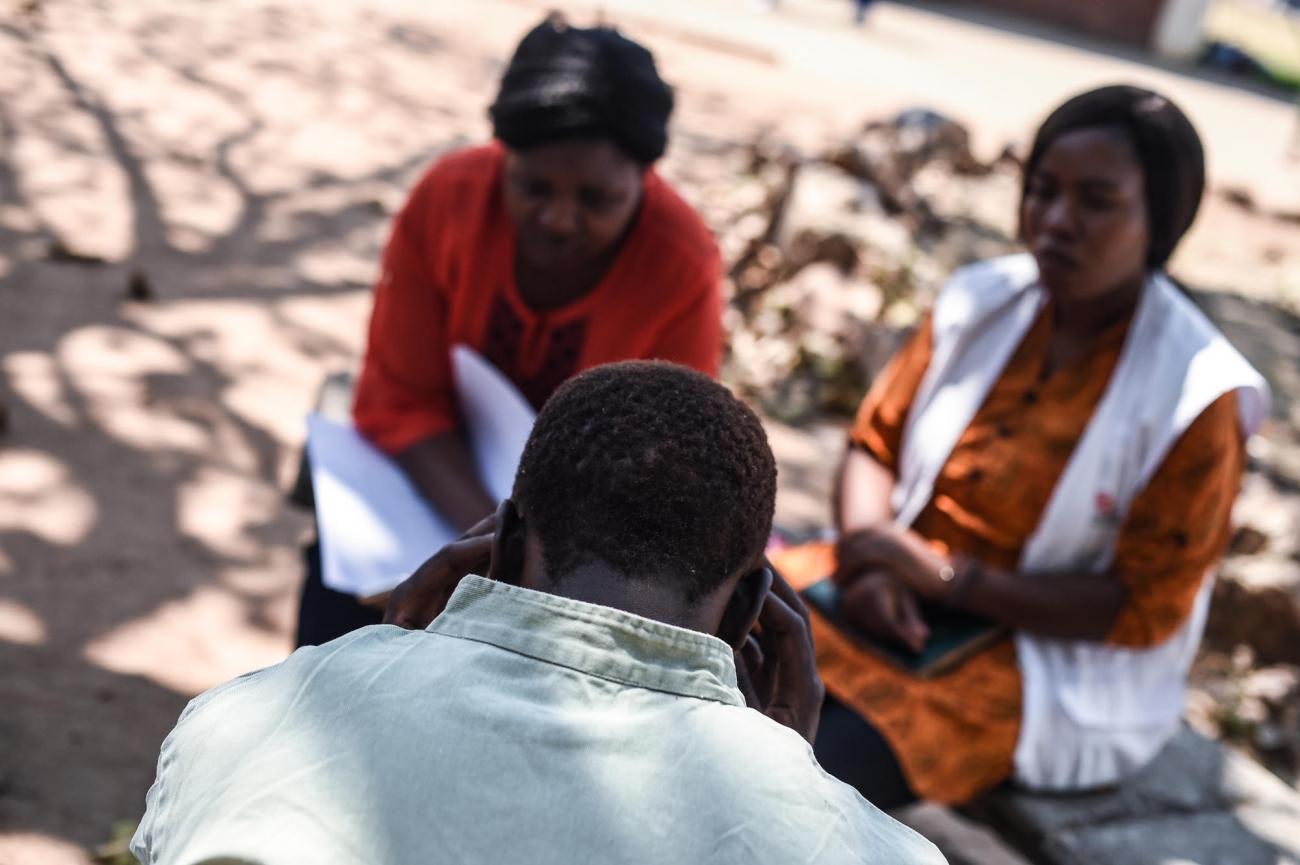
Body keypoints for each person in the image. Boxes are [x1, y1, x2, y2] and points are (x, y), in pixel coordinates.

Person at [132, 363, 945, 865]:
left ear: (504, 540)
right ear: (746, 617)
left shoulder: (242, 722)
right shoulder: (872, 851)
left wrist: (375, 658)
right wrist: (792, 782)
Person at [772, 85, 1270, 807]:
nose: (1056, 221)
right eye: (1042, 191)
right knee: (724, 653)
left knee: (808, 774)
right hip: (881, 585)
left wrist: (948, 578)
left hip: (1036, 661)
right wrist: (873, 556)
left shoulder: (1198, 395)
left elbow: (1138, 608)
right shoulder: (979, 301)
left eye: (1096, 201)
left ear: (1160, 221)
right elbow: (874, 444)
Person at [296, 16, 724, 646]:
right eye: (532, 187)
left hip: (576, 540)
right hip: (433, 482)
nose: (557, 218)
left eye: (597, 200)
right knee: (340, 621)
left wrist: (532, 562)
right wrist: (502, 542)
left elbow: (659, 466)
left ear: (644, 179)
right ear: (504, 159)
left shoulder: (682, 267)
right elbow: (402, 395)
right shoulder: (447, 200)